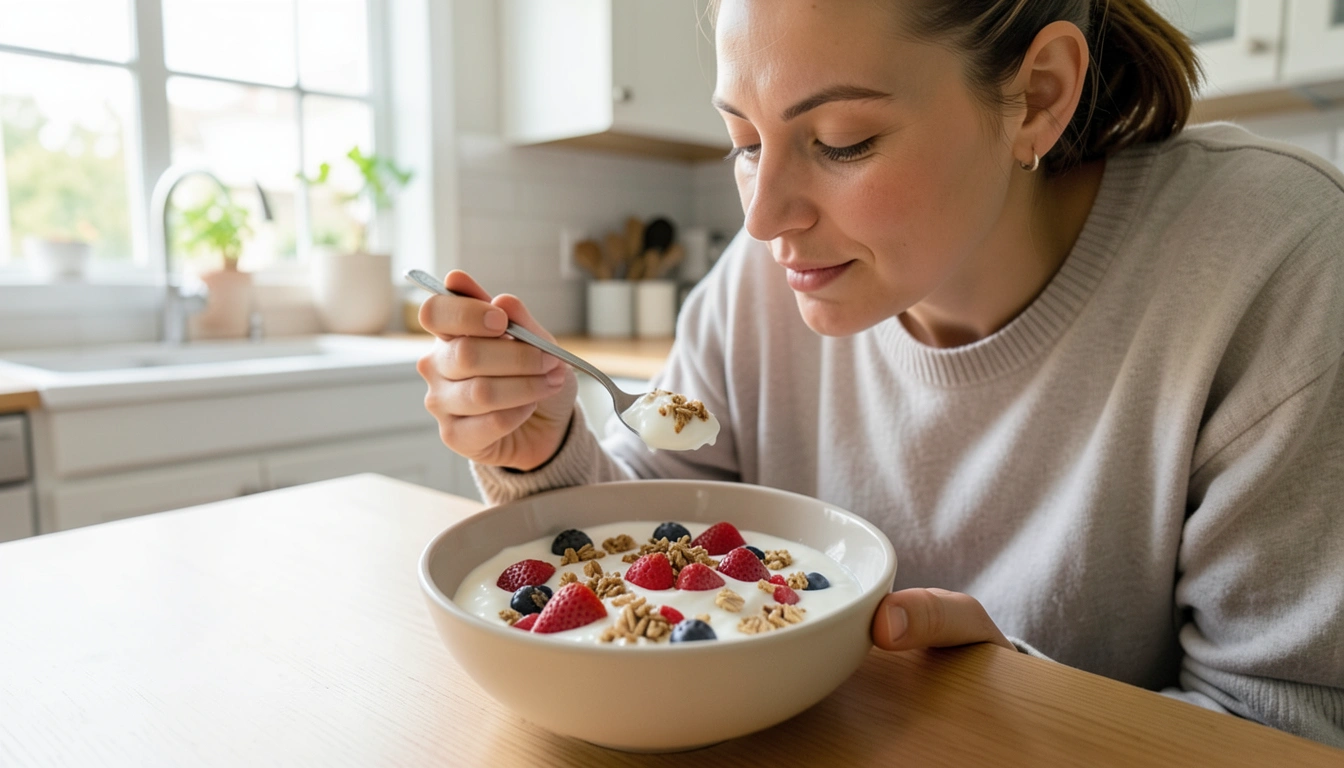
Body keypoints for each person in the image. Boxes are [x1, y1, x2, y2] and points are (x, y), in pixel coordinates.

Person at [416, 0, 1344, 747]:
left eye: (843, 140)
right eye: (743, 141)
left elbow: (1291, 733)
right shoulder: (760, 284)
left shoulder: (1275, 264)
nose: (764, 218)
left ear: (1041, 94)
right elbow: (654, 535)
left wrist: (1013, 703)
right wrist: (546, 454)